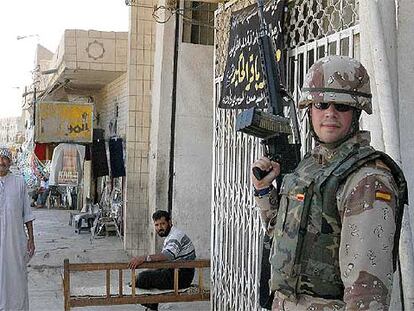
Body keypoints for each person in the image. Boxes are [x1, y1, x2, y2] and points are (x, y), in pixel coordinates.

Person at [251, 55, 408, 310]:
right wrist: (264, 190)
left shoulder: (367, 179)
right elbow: (281, 235)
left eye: (341, 107)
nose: (330, 114)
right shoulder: (311, 165)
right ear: (310, 109)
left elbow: (366, 295)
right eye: (321, 104)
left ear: (356, 112)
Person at [129, 210, 196, 311]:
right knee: (144, 276)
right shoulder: (171, 235)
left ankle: (152, 305)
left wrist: (143, 258)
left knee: (143, 278)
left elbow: (168, 255)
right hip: (175, 271)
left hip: (182, 276)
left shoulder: (175, 236)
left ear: (169, 222)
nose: (159, 228)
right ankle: (152, 305)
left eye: (162, 224)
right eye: (156, 225)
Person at [0, 147, 36, 310]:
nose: (2, 162)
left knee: (17, 277)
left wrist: (31, 239)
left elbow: (27, 214)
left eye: (5, 158)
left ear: (10, 161)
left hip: (15, 241)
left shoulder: (19, 182)